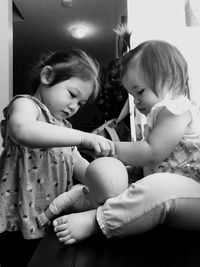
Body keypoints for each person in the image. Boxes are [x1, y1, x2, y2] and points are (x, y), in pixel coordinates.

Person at [52, 40, 200, 245]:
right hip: (172, 202)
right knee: (123, 178)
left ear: (170, 79)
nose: (136, 102)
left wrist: (111, 149)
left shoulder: (177, 109)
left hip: (194, 198)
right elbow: (151, 164)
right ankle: (88, 199)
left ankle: (97, 220)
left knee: (158, 187)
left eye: (140, 92)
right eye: (132, 95)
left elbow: (152, 152)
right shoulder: (158, 117)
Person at [0, 49, 115, 267]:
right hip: (18, 217)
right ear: (47, 76)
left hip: (52, 219)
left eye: (80, 104)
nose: (74, 107)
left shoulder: (65, 129)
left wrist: (108, 177)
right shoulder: (26, 106)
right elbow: (22, 130)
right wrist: (83, 138)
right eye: (72, 95)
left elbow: (81, 167)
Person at [36, 157, 128, 230]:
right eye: (102, 203)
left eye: (116, 200)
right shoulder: (77, 195)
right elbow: (61, 202)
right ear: (86, 193)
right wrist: (46, 216)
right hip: (72, 210)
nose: (109, 206)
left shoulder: (102, 195)